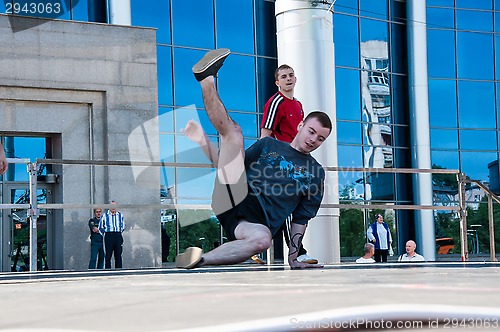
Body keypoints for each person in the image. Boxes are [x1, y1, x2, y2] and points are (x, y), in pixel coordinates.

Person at [175, 48, 331, 269]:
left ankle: (200, 259)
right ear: (300, 126)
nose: (314, 139)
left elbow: (300, 219)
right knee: (235, 134)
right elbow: (227, 166)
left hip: (251, 222)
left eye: (320, 139)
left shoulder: (315, 174)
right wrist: (203, 141)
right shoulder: (269, 144)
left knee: (262, 240)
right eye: (311, 131)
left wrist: (294, 257)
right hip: (235, 193)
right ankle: (206, 79)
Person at [256, 64, 317, 265]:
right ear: (277, 82)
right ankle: (298, 252)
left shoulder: (298, 105)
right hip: (280, 163)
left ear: (295, 79)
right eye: (283, 76)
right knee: (289, 204)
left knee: (285, 207)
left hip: (296, 162)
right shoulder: (275, 102)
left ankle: (253, 245)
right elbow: (265, 135)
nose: (288, 79)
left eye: (291, 75)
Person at [98, 201, 125, 269]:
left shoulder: (120, 215)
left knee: (118, 254)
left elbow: (123, 226)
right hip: (109, 235)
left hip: (117, 235)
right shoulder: (105, 215)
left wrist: (118, 233)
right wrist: (105, 234)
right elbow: (100, 227)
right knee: (108, 255)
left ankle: (119, 270)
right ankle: (107, 271)